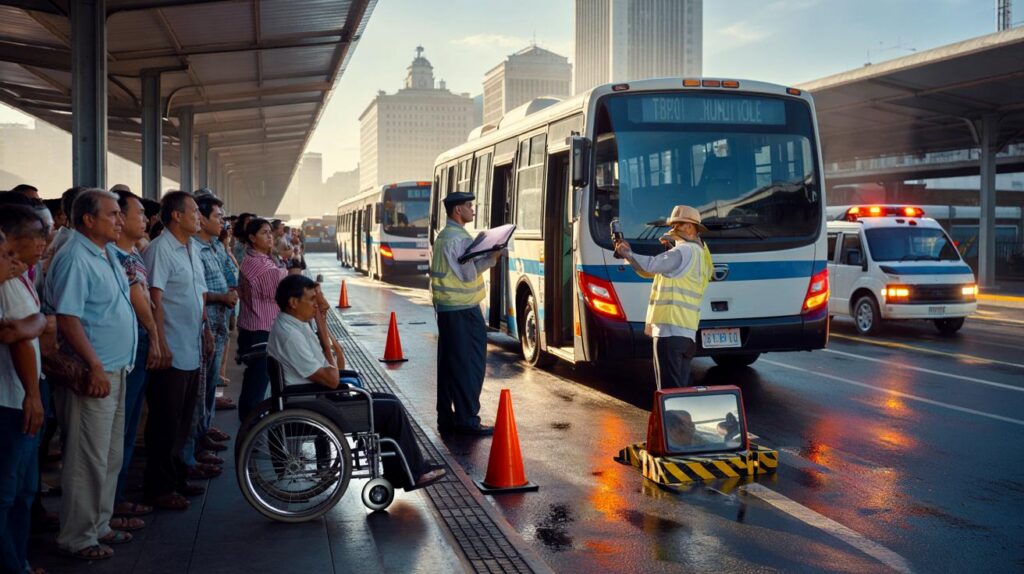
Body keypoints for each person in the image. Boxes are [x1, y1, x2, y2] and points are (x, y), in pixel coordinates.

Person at [267, 275, 446, 489]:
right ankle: (411, 474)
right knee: (391, 409)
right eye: (311, 299)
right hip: (312, 405)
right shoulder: (291, 335)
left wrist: (320, 319)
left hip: (314, 397)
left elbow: (328, 371)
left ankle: (407, 471)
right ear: (293, 302)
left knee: (388, 400)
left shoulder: (295, 323)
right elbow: (332, 379)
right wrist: (325, 342)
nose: (317, 305)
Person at [45, 189, 138, 560]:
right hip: (94, 372)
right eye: (113, 214)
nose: (120, 220)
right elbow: (68, 319)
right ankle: (78, 536)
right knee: (87, 459)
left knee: (109, 455)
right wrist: (94, 366)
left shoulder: (105, 253)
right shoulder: (74, 258)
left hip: (116, 367)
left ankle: (100, 524)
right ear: (88, 219)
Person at [141, 191, 210, 511]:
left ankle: (178, 477)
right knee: (164, 423)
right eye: (195, 211)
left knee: (183, 419)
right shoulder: (160, 250)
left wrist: (206, 329)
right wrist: (160, 342)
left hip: (191, 345)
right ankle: (159, 487)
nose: (200, 216)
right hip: (170, 350)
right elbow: (155, 298)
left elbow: (198, 295)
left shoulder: (192, 248)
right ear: (176, 216)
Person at [614, 205, 713, 389]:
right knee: (679, 390)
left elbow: (650, 265)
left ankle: (673, 419)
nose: (673, 228)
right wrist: (670, 246)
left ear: (691, 228)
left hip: (670, 331)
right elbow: (654, 272)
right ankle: (680, 418)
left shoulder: (683, 252)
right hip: (687, 334)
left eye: (678, 225)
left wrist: (626, 252)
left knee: (668, 392)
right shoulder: (701, 254)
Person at [110, 189, 164, 518]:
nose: (145, 219)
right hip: (130, 346)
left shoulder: (133, 255)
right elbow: (140, 300)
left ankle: (116, 497)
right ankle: (112, 502)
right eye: (139, 214)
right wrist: (156, 337)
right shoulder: (115, 258)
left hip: (137, 343)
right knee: (121, 430)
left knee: (128, 429)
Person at [0, 213, 49, 574]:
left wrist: (38, 322)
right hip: (10, 401)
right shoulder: (5, 283)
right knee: (6, 493)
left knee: (23, 491)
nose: (10, 261)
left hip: (21, 397)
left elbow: (28, 324)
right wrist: (32, 395)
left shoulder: (17, 279)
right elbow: (15, 334)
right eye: (4, 253)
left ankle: (19, 561)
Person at [430, 192, 501, 436]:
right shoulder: (457, 239)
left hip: (448, 309)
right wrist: (491, 257)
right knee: (468, 365)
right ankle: (467, 419)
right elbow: (468, 274)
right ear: (458, 210)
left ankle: (447, 417)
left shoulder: (445, 235)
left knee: (450, 364)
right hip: (463, 309)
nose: (473, 209)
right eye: (469, 206)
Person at [236, 218, 288, 423]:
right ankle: (250, 428)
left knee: (256, 380)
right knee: (257, 383)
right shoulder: (260, 266)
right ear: (251, 238)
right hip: (260, 329)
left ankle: (251, 427)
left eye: (270, 232)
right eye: (264, 233)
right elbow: (282, 288)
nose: (270, 236)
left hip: (253, 325)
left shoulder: (256, 259)